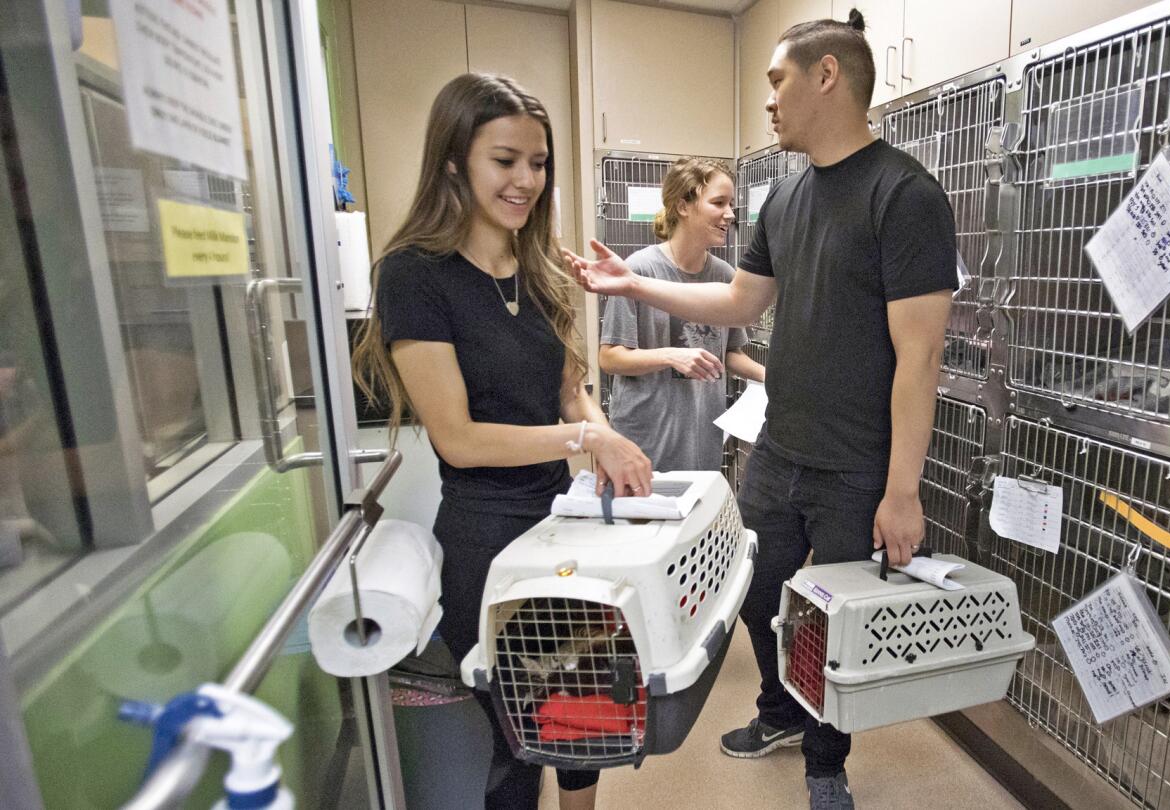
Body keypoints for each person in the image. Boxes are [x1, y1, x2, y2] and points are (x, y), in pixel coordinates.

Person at [563, 10, 956, 809]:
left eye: (777, 81)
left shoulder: (905, 195)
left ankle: (824, 761)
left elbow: (920, 357)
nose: (768, 101)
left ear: (826, 76)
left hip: (857, 461)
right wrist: (632, 284)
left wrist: (903, 489)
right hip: (781, 450)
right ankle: (780, 709)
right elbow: (739, 301)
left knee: (831, 618)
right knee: (753, 584)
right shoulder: (783, 198)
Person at [352, 73, 652, 810]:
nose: (526, 180)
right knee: (516, 749)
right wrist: (585, 435)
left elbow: (570, 385)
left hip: (564, 528)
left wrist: (606, 441)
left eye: (539, 162)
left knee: (586, 721)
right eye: (505, 160)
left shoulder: (539, 266)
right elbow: (458, 440)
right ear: (455, 160)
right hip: (487, 546)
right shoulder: (414, 277)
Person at [599, 157, 765, 472]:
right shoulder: (639, 270)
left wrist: (770, 377)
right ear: (683, 206)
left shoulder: (725, 276)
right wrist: (671, 356)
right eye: (719, 203)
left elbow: (729, 353)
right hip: (647, 439)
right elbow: (610, 358)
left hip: (701, 439)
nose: (729, 214)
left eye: (731, 204)